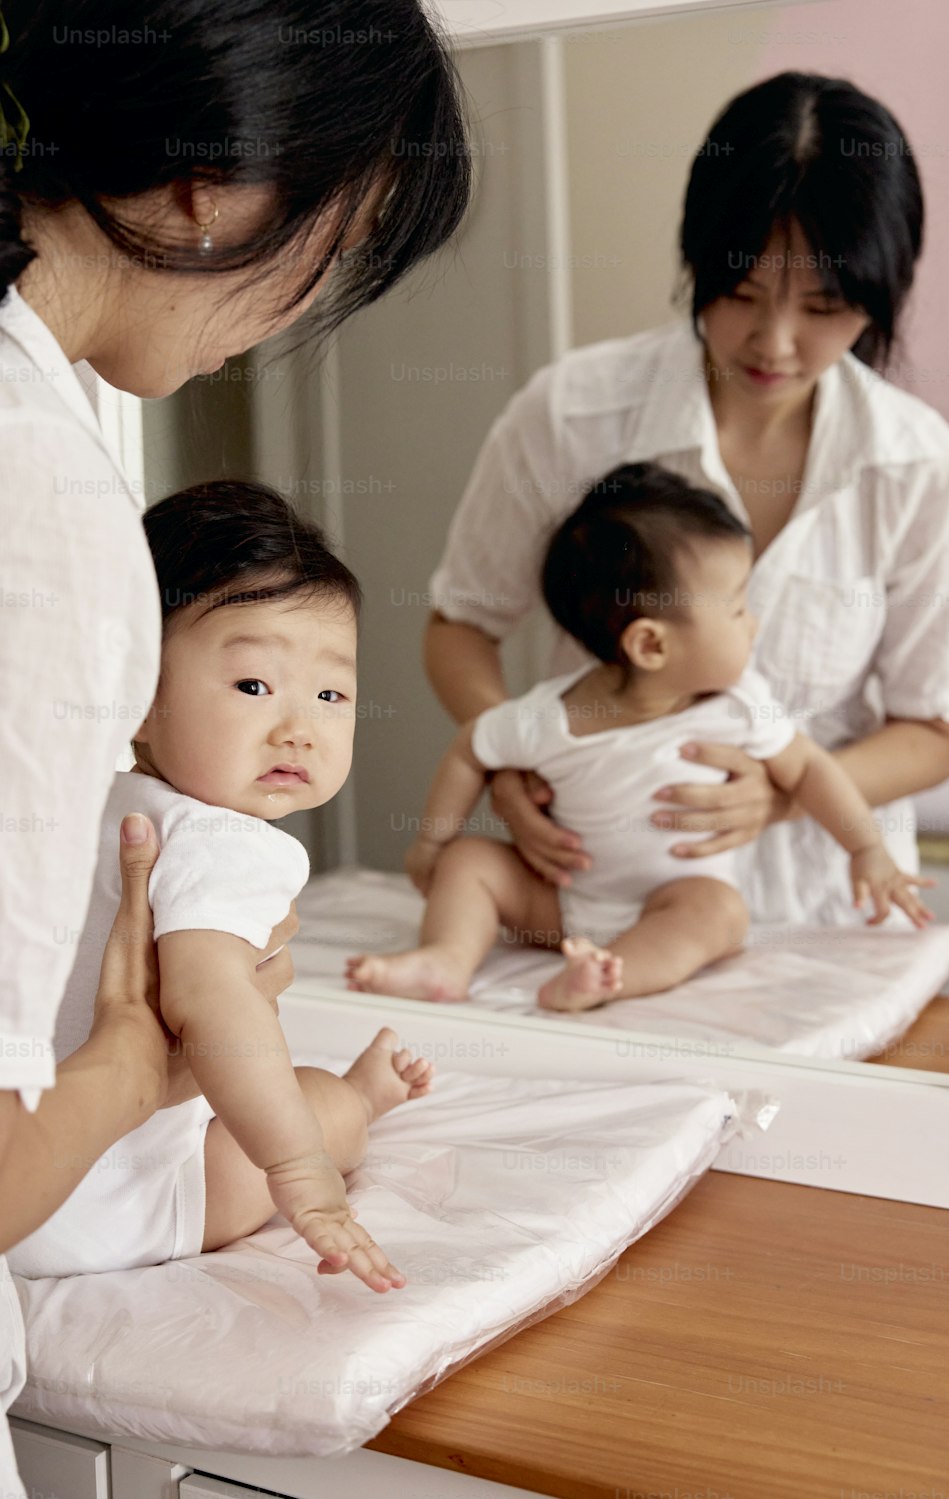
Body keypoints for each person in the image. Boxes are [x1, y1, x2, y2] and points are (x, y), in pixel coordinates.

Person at [0, 2, 469, 1489]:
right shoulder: (51, 522)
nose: (304, 305)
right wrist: (144, 1064)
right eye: (336, 245)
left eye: (329, 692)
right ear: (216, 182)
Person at [424, 71, 949, 933]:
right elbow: (460, 624)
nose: (775, 342)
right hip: (594, 889)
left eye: (825, 307)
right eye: (743, 295)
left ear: (877, 296)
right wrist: (511, 759)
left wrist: (782, 795)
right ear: (698, 261)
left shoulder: (916, 467)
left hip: (824, 908)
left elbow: (933, 730)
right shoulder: (575, 412)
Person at [9, 481, 434, 1289]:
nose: (298, 725)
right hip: (115, 1204)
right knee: (313, 1100)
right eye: (253, 685)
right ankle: (362, 1099)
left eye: (330, 693)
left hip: (24, 1175)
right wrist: (302, 1165)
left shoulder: (81, 804)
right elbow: (212, 1003)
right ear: (138, 695)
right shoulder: (226, 842)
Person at [349, 465, 933, 1013]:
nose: (753, 623)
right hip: (559, 901)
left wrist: (866, 849)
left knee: (719, 911)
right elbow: (471, 749)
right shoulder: (551, 716)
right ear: (651, 645)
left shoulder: (739, 704)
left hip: (672, 898)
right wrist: (433, 844)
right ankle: (447, 960)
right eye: (736, 609)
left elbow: (808, 769)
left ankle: (606, 975)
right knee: (471, 859)